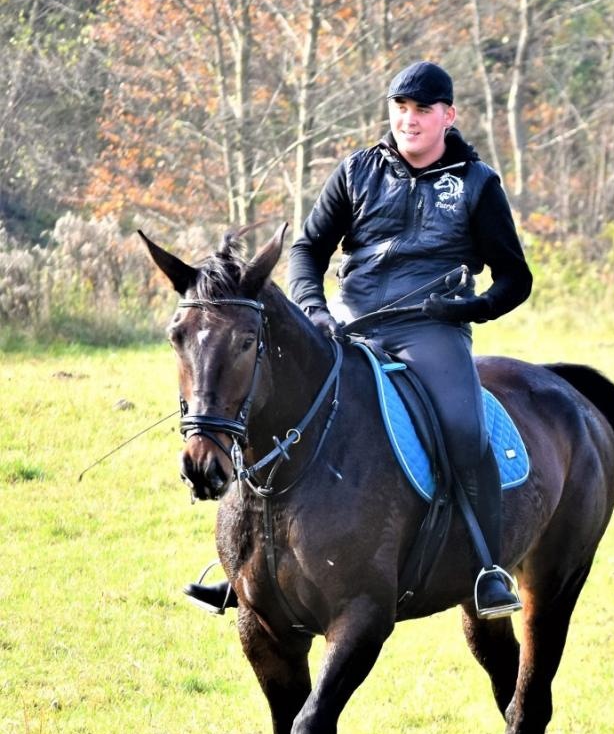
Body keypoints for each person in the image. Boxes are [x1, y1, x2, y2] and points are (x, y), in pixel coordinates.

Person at [184, 60, 532, 619]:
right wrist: (314, 309)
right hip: (348, 323)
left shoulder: (477, 184)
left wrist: (469, 308)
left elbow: (515, 279)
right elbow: (307, 249)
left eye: (422, 110)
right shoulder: (356, 171)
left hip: (429, 331)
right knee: (264, 404)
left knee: (465, 430)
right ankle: (245, 566)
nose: (409, 120)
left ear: (448, 115)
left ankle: (487, 569)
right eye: (400, 109)